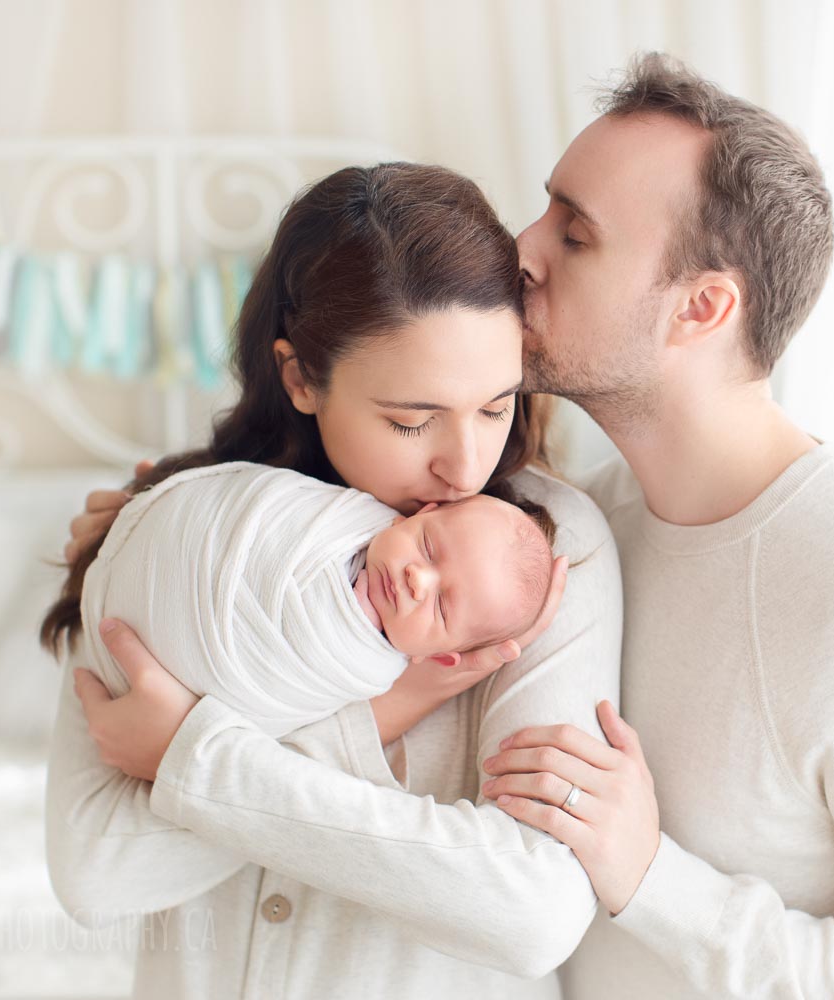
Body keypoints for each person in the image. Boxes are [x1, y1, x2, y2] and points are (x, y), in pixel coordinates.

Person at [71, 53, 834, 999]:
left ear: (702, 308)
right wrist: (170, 537)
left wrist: (648, 874)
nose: (521, 251)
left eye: (574, 235)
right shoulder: (571, 529)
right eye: (544, 208)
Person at [42, 161, 622, 999]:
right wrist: (392, 709)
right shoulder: (178, 539)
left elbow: (532, 911)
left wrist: (191, 757)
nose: (464, 467)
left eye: (496, 406)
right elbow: (97, 873)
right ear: (300, 376)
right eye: (412, 420)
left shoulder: (541, 561)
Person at [72, 458, 559, 738]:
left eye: (441, 606)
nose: (417, 579)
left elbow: (283, 732)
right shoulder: (345, 513)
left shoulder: (367, 671)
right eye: (428, 546)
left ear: (440, 656)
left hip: (173, 674)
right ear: (418, 513)